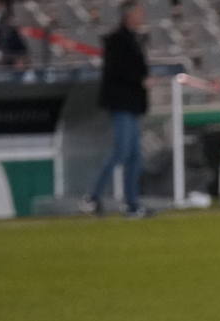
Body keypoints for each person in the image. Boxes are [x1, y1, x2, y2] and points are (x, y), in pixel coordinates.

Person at [83, 1, 151, 217]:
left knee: (133, 156)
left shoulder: (133, 39)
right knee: (121, 152)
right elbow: (118, 72)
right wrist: (141, 80)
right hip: (122, 103)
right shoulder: (117, 40)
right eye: (139, 12)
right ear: (128, 15)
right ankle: (92, 197)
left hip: (131, 104)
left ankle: (132, 203)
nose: (142, 16)